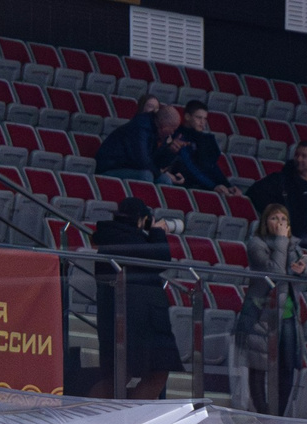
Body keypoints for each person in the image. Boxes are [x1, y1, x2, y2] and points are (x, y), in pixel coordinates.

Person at [91, 196, 181, 400]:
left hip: (127, 317)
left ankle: (110, 420)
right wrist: (157, 231)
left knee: (121, 376)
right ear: (141, 219)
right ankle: (120, 421)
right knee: (153, 373)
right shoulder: (126, 237)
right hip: (139, 319)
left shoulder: (111, 235)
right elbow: (161, 258)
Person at [231, 202, 307, 415]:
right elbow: (273, 272)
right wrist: (281, 241)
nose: (280, 223)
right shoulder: (257, 244)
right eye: (275, 218)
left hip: (288, 314)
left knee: (287, 366)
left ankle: (278, 415)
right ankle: (261, 411)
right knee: (258, 365)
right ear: (266, 222)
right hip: (261, 313)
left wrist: (304, 267)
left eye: (283, 219)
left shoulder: (293, 245)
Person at [94, 94, 162, 182]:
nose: (154, 111)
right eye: (150, 106)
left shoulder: (154, 131)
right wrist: (157, 172)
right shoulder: (137, 128)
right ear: (141, 108)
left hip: (129, 168)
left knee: (164, 178)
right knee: (146, 175)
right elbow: (141, 159)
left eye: (157, 108)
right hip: (111, 168)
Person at [169, 100, 221, 190]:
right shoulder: (179, 135)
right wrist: (214, 186)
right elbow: (189, 165)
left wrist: (227, 186)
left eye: (204, 118)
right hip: (185, 184)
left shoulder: (206, 139)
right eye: (199, 118)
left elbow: (212, 166)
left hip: (204, 184)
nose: (202, 122)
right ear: (187, 117)